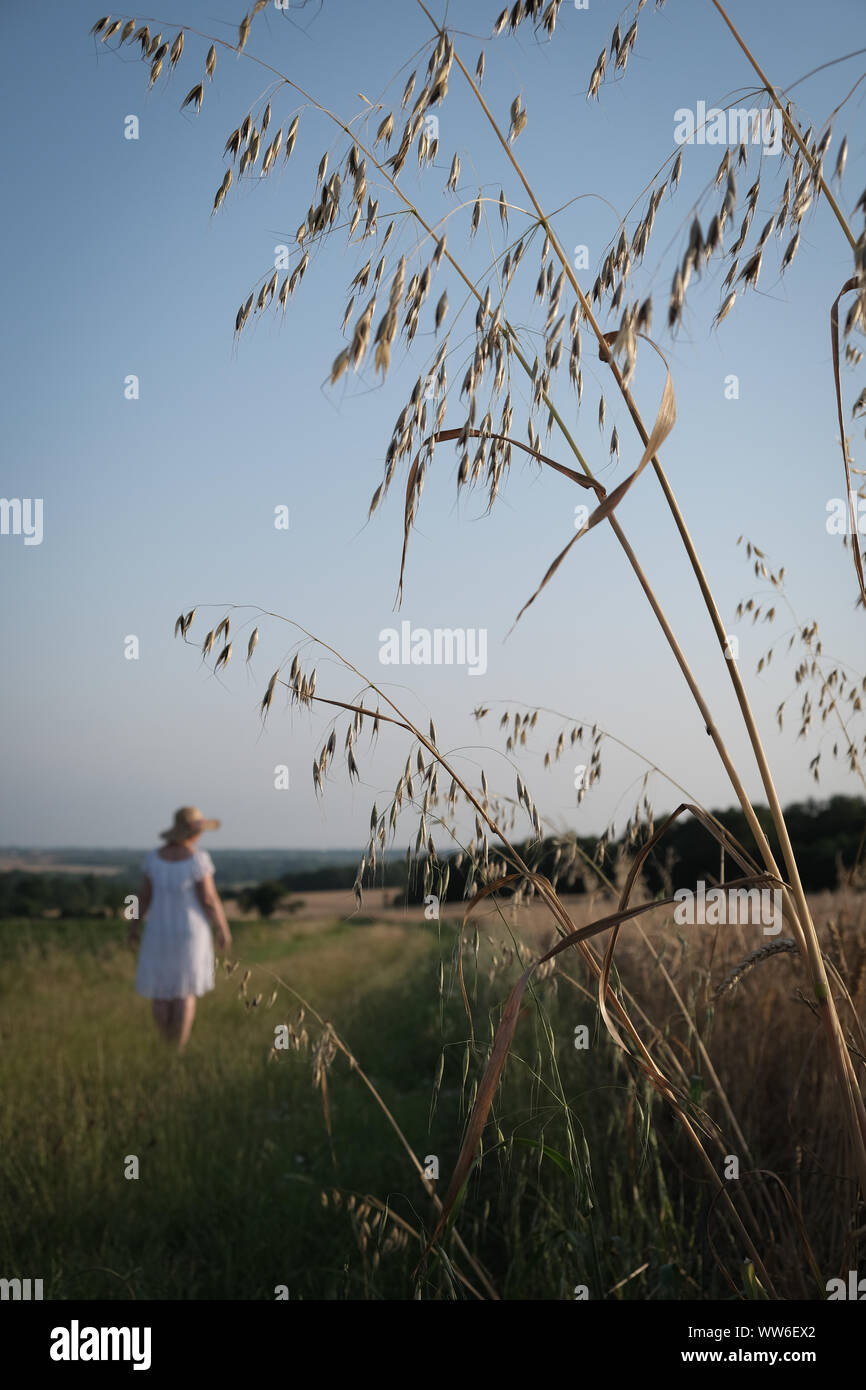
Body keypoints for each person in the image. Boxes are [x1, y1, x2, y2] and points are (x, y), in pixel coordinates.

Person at [129, 806, 232, 1050]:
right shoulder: (198, 859)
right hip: (190, 932)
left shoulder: (153, 858)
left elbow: (143, 898)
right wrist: (223, 929)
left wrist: (133, 927)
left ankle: (164, 1044)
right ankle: (178, 1049)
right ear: (192, 832)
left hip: (157, 931)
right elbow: (208, 899)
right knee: (185, 991)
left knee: (162, 991)